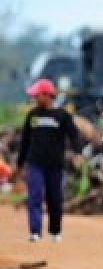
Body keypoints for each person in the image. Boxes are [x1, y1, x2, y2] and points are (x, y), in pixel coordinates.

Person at [16, 78, 81, 242]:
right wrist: (20, 163)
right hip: (35, 163)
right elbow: (25, 140)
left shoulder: (63, 115)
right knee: (35, 196)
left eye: (37, 95)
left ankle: (55, 231)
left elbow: (74, 136)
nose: (35, 98)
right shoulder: (32, 115)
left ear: (47, 95)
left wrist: (78, 153)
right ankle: (35, 232)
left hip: (55, 164)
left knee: (55, 198)